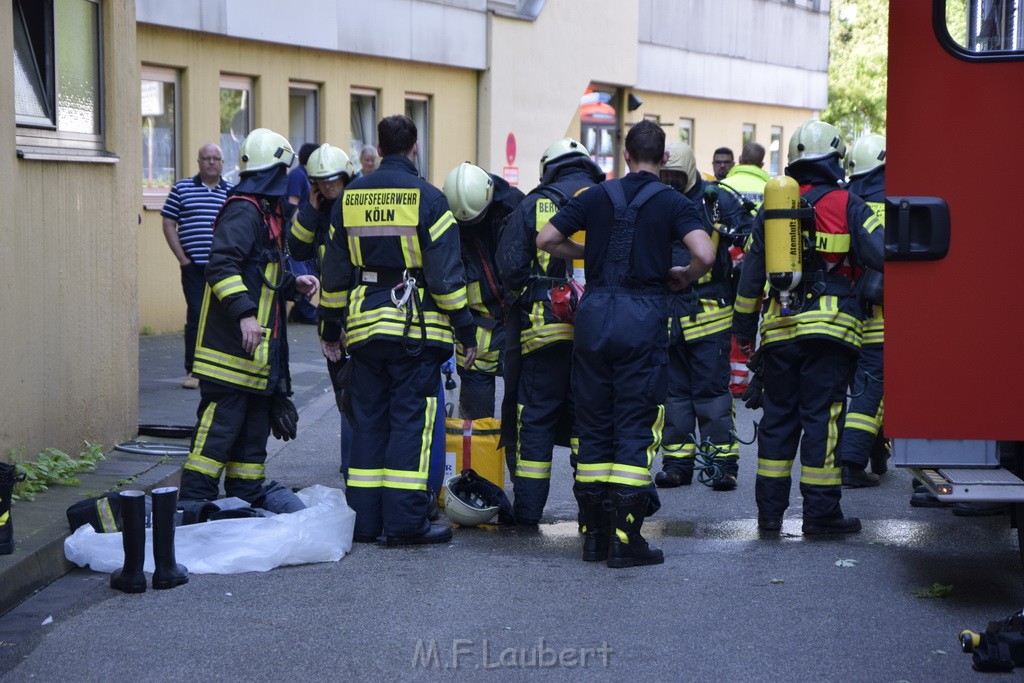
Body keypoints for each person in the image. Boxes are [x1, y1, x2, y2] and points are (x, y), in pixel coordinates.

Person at [537, 119, 715, 567]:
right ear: (663, 159)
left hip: (595, 316)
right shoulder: (674, 202)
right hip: (642, 317)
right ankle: (625, 541)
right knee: (635, 424)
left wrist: (585, 254)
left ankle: (594, 537)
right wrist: (684, 275)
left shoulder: (595, 195)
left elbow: (545, 239)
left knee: (594, 424)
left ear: (626, 155)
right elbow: (705, 254)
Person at [319, 114, 477, 546]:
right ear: (415, 148)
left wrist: (331, 328)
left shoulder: (348, 198)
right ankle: (406, 524)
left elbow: (333, 274)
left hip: (365, 328)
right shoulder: (430, 199)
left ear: (380, 147)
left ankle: (366, 524)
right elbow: (445, 278)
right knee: (411, 424)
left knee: (368, 422)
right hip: (415, 331)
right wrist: (466, 330)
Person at [733, 119, 884, 535]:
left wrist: (743, 330)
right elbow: (883, 254)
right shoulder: (850, 203)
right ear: (835, 158)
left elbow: (750, 276)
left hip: (779, 330)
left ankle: (768, 516)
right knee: (822, 419)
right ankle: (820, 516)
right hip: (832, 333)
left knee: (779, 420)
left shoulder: (774, 207)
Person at [179, 129, 319, 504]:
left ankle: (244, 498)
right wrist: (243, 315)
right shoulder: (244, 209)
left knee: (252, 434)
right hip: (229, 352)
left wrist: (293, 284)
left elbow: (260, 275)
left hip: (254, 355)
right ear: (273, 170)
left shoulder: (264, 211)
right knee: (219, 432)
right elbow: (221, 267)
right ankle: (193, 504)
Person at [496, 137, 605, 526]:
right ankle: (593, 515)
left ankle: (527, 514)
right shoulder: (606, 199)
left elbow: (509, 267)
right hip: (597, 336)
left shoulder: (534, 204)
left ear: (549, 169)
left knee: (536, 421)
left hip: (542, 337)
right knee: (587, 423)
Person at [654, 141, 749, 492]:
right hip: (668, 318)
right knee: (674, 396)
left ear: (690, 171)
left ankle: (723, 465)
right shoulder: (657, 200)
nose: (671, 182)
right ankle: (677, 465)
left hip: (709, 313)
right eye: (666, 175)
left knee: (711, 394)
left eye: (676, 176)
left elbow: (747, 236)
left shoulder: (715, 201)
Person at [288, 143, 353, 474]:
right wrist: (311, 210)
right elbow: (296, 247)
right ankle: (350, 461)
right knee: (343, 389)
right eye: (321, 183)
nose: (328, 188)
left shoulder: (355, 205)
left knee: (359, 391)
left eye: (333, 181)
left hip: (357, 313)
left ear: (345, 176)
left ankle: (358, 460)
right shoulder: (320, 210)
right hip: (330, 311)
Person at [442, 162, 525, 418]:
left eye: (477, 220)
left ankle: (517, 459)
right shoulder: (445, 219)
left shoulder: (515, 206)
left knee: (523, 418)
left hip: (519, 326)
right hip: (475, 334)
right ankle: (478, 459)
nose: (471, 227)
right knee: (476, 427)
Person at [160, 143, 233, 389]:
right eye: (206, 158)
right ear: (198, 162)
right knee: (197, 314)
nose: (211, 162)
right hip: (193, 267)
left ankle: (220, 369)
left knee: (225, 316)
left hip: (223, 267)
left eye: (216, 158)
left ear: (222, 163)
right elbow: (169, 223)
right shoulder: (182, 189)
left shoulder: (232, 192)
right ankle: (193, 371)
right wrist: (183, 259)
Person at [840, 133, 888, 488]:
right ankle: (852, 463)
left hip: (845, 311)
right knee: (872, 386)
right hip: (886, 316)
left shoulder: (846, 200)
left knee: (858, 386)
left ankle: (877, 451)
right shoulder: (898, 197)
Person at [719, 141, 771, 398]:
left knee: (725, 319)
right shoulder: (770, 189)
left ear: (739, 159)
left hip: (729, 258)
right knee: (750, 315)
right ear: (762, 164)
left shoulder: (725, 186)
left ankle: (730, 378)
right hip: (761, 260)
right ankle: (744, 378)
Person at [286, 142, 321, 325]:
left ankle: (298, 311)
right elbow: (292, 205)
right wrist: (301, 230)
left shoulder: (306, 175)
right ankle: (305, 312)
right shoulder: (297, 175)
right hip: (299, 233)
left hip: (308, 233)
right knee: (301, 271)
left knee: (310, 271)